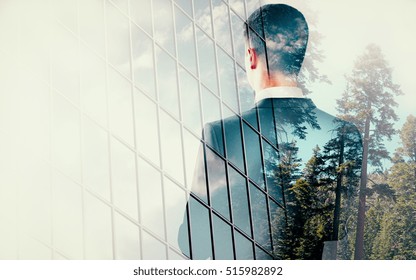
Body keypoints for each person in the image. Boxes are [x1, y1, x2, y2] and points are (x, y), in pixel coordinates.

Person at [178, 4, 362, 260]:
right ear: (299, 57)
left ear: (251, 56)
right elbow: (345, 236)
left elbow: (193, 244)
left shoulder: (221, 134)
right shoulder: (346, 134)